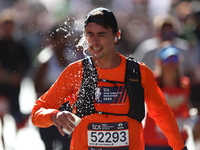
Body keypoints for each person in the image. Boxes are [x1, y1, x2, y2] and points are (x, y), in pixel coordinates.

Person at [31, 7, 188, 150]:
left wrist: (179, 147)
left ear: (116, 36)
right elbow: (37, 113)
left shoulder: (138, 72)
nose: (94, 41)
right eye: (90, 34)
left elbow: (161, 113)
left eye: (101, 34)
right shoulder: (75, 71)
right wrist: (54, 116)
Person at [143, 46, 191, 150]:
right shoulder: (152, 81)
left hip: (178, 139)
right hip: (153, 141)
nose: (171, 63)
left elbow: (185, 109)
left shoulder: (185, 83)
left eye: (175, 59)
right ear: (159, 62)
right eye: (167, 59)